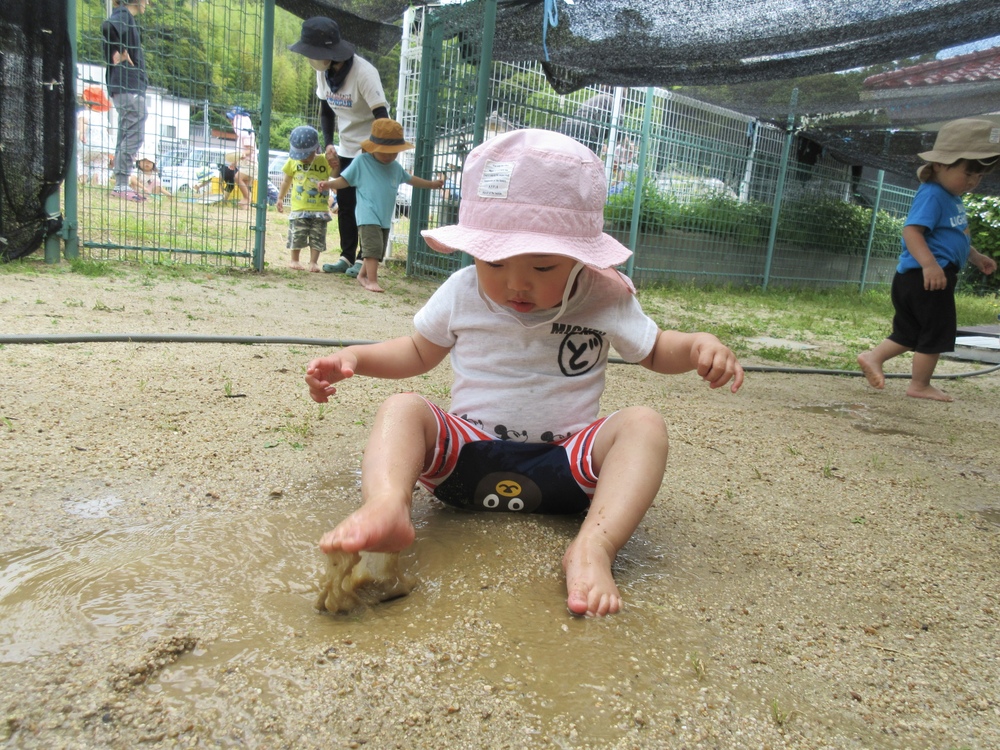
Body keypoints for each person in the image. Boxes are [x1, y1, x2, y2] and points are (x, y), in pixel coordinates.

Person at [304, 129, 744, 617]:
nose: (516, 283)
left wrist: (699, 346)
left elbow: (658, 350)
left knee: (644, 425)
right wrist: (356, 359)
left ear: (580, 256)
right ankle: (387, 506)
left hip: (569, 467)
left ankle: (593, 546)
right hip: (465, 457)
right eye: (493, 261)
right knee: (403, 408)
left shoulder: (604, 294)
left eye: (543, 265)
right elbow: (416, 352)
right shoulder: (461, 289)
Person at [857, 118, 1000, 402]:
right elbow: (911, 231)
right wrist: (930, 265)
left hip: (917, 277)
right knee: (937, 330)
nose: (972, 181)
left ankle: (873, 357)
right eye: (968, 172)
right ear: (940, 165)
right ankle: (920, 385)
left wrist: (974, 256)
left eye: (980, 177)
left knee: (910, 331)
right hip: (926, 277)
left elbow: (951, 237)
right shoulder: (934, 195)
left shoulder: (950, 196)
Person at [289, 17, 390, 276]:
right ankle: (346, 256)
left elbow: (382, 117)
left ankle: (363, 259)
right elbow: (326, 112)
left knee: (365, 205)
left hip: (370, 147)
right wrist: (330, 143)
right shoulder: (323, 72)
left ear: (330, 54)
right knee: (345, 203)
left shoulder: (364, 74)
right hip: (345, 146)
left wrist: (375, 152)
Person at [319, 119, 444, 293]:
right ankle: (372, 281)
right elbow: (345, 180)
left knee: (377, 252)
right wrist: (328, 184)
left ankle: (362, 276)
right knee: (372, 250)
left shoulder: (395, 167)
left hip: (384, 217)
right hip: (367, 214)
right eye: (384, 151)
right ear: (372, 147)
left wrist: (431, 184)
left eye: (393, 152)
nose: (389, 156)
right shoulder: (362, 162)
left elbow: (411, 179)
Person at [101, 0, 149, 202]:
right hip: (128, 85)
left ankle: (120, 183)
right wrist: (121, 50)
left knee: (126, 131)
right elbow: (107, 26)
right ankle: (121, 185)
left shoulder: (124, 17)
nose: (148, 2)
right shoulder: (124, 15)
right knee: (134, 134)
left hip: (122, 86)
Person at [276, 126, 334, 273]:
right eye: (299, 154)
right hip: (299, 208)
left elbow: (335, 177)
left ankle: (313, 262)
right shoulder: (292, 162)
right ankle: (294, 259)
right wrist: (280, 197)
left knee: (318, 236)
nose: (303, 158)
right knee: (297, 233)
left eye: (307, 154)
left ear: (316, 148)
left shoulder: (324, 161)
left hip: (320, 209)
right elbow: (286, 181)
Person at [77, 87, 113, 186]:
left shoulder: (85, 113)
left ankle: (83, 179)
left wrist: (81, 134)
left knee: (82, 162)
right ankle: (98, 180)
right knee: (101, 165)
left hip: (88, 144)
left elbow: (83, 122)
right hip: (102, 147)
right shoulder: (103, 118)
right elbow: (106, 132)